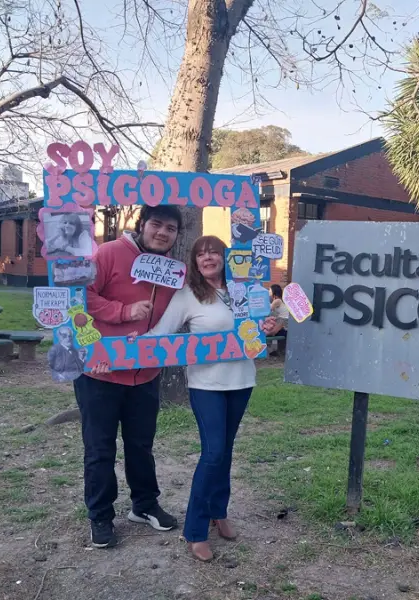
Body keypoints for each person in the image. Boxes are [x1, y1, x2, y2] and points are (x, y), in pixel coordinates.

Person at [130, 236, 279, 562]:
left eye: (214, 251)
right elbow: (162, 333)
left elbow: (255, 333)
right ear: (195, 262)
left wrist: (267, 326)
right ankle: (195, 530)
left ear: (225, 257)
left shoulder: (245, 291)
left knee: (225, 451)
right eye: (201, 254)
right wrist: (133, 343)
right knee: (212, 454)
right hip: (206, 384)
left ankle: (218, 511)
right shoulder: (188, 296)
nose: (208, 257)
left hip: (242, 381)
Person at [75, 204, 183, 549]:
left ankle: (145, 505)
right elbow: (80, 295)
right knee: (99, 449)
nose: (163, 232)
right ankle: (101, 517)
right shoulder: (108, 253)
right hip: (100, 372)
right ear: (141, 224)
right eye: (156, 224)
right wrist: (124, 312)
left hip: (146, 374)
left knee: (141, 446)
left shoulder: (173, 272)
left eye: (171, 228)